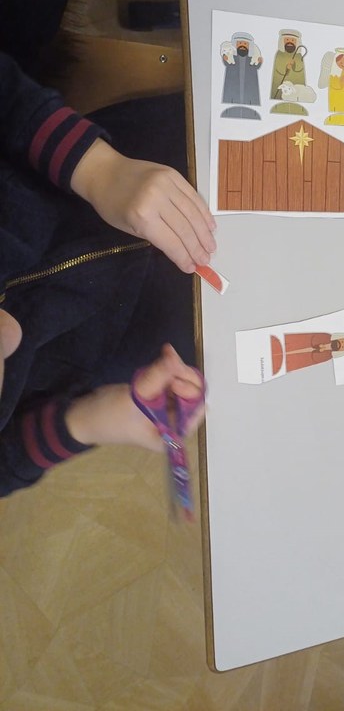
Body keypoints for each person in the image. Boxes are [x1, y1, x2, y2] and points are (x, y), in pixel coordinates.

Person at [0, 50, 214, 496]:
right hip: (123, 341)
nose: (11, 336)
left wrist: (98, 169)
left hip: (122, 163)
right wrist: (91, 419)